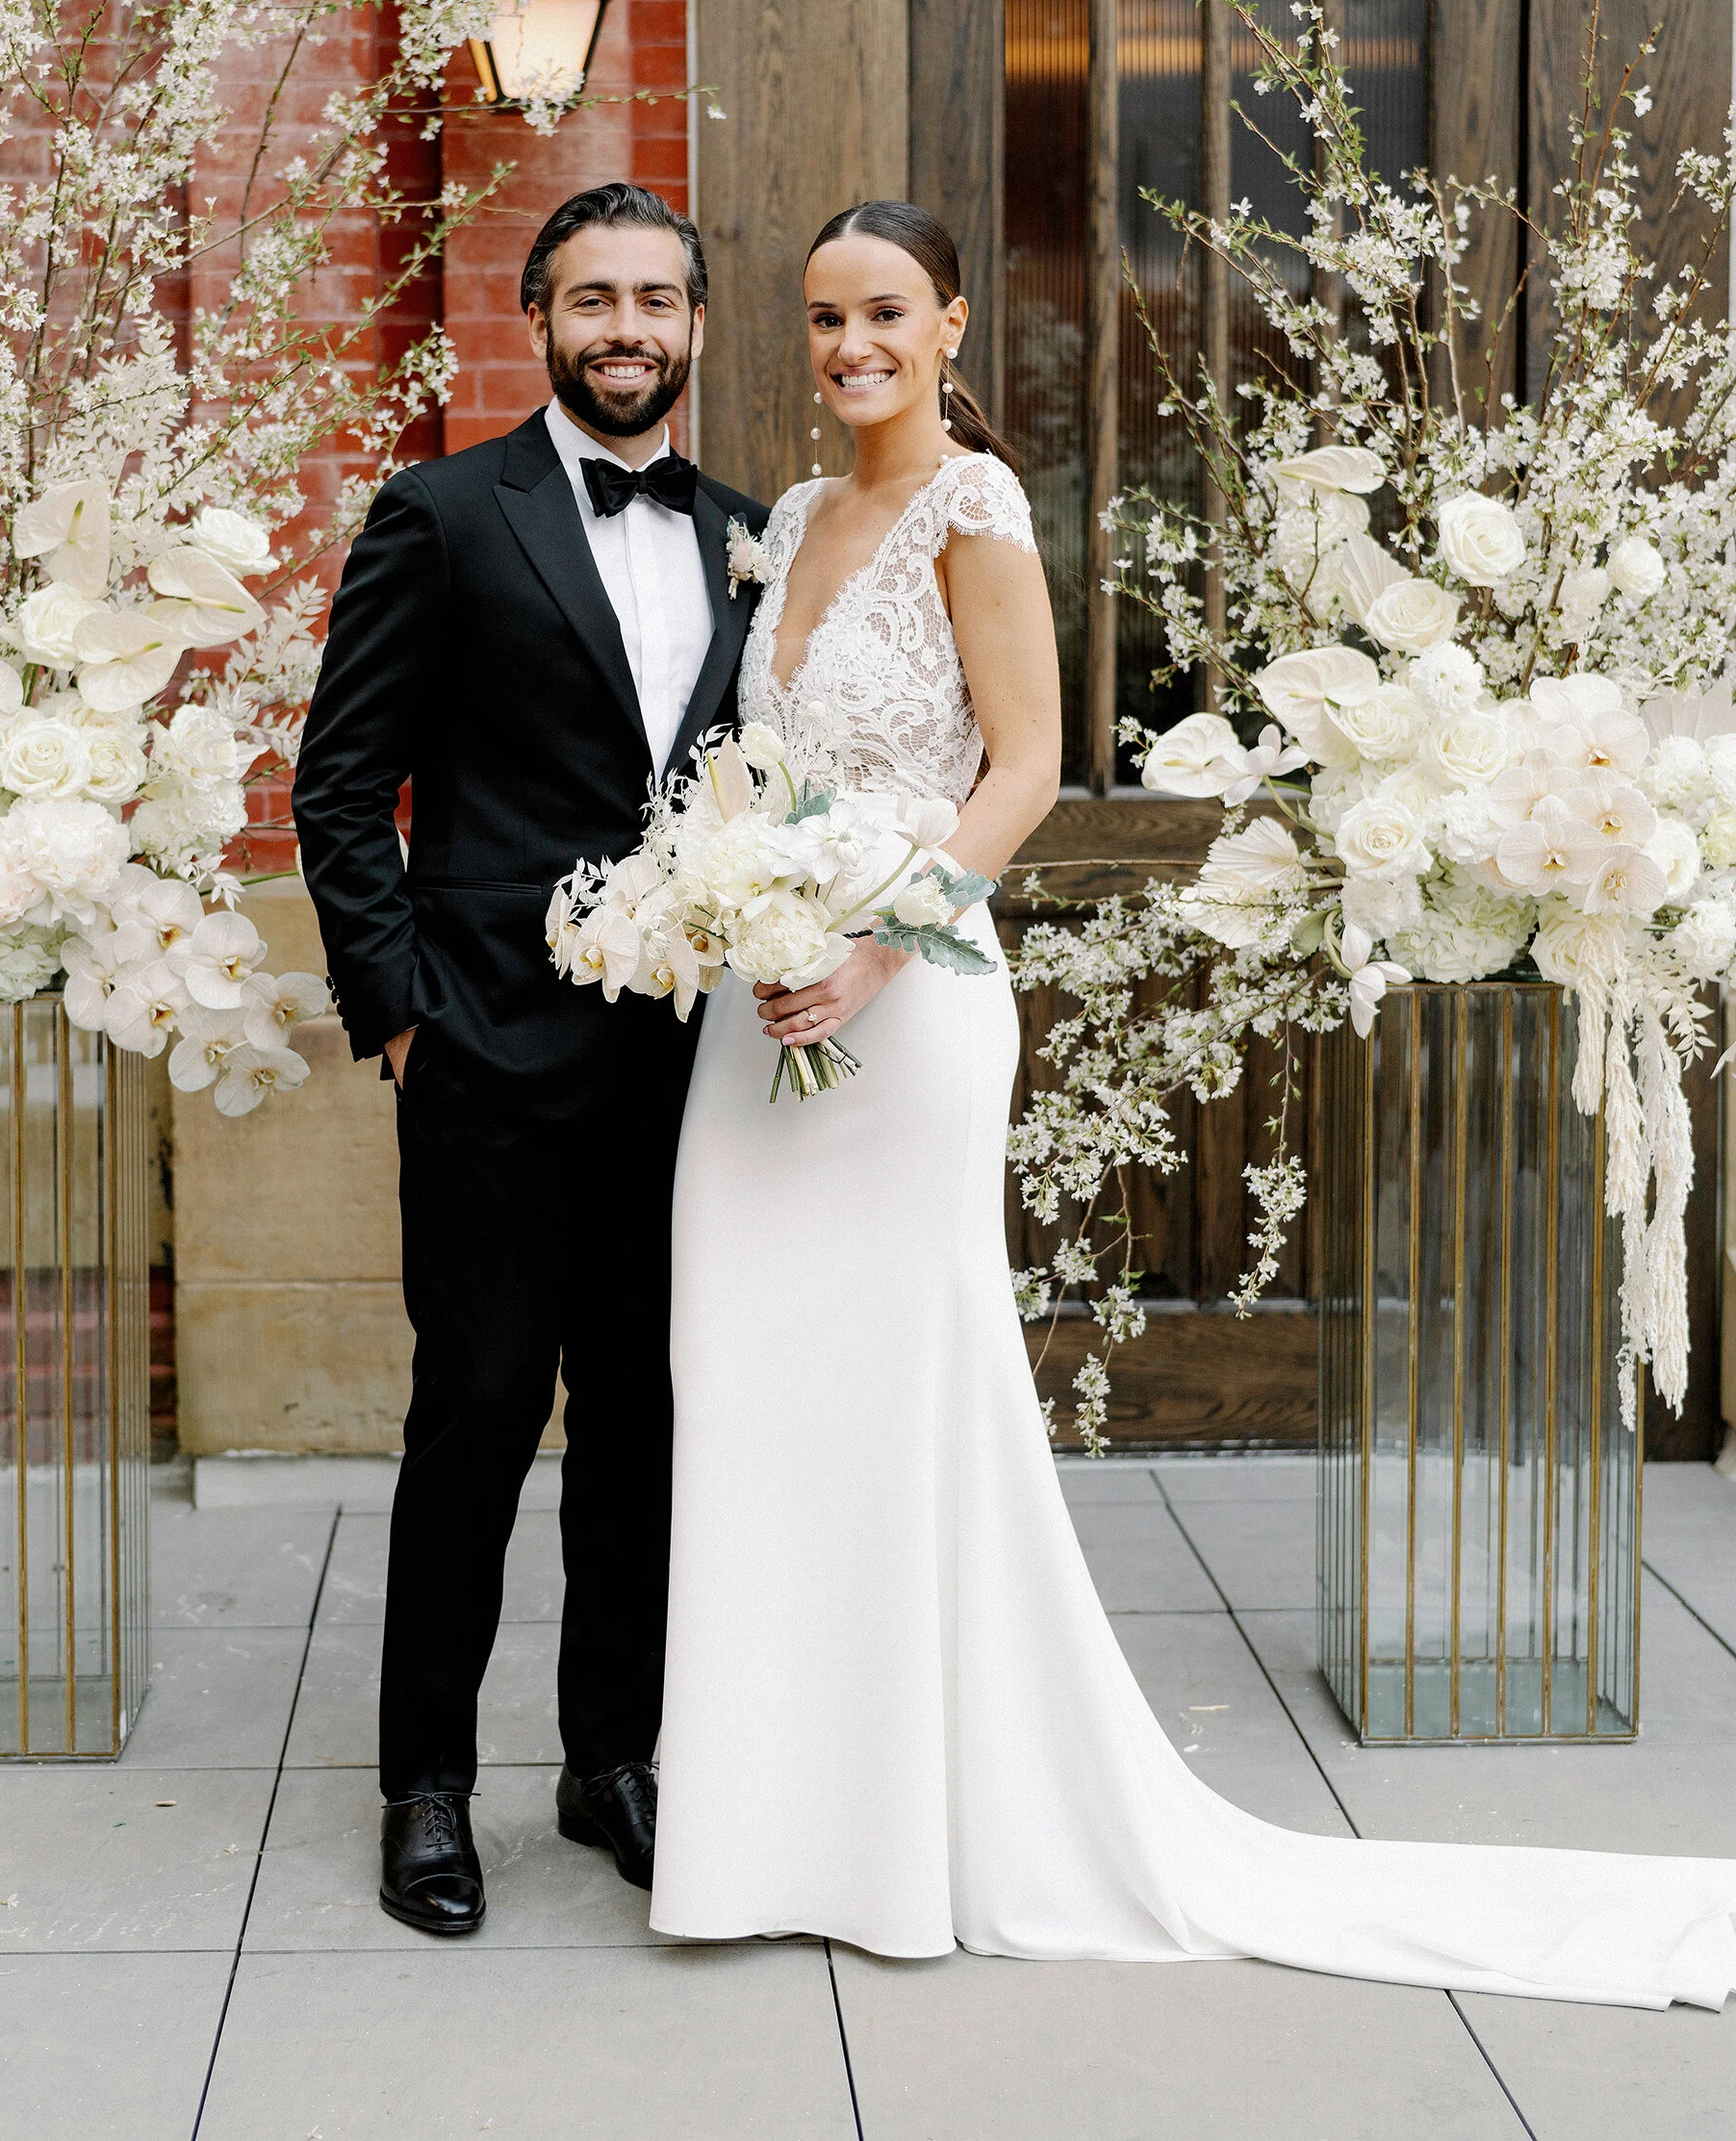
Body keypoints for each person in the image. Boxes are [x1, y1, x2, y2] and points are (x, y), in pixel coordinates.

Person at [648, 197, 1736, 2006]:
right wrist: (733, 901)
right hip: (753, 1022)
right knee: (755, 1393)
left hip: (899, 1013)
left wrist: (873, 955)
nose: (853, 348)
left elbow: (1024, 769)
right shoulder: (791, 520)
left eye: (888, 314)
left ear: (955, 320)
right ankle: (773, 1824)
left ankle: (919, 1829)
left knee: (901, 1397)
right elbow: (763, 768)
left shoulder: (972, 512)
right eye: (828, 319)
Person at [293, 181, 766, 1938]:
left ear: (697, 324)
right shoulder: (439, 513)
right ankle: (429, 1784)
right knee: (476, 1418)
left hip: (691, 1068)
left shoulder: (747, 531)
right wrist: (404, 1013)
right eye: (594, 300)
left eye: (657, 298)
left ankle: (610, 1756)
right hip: (486, 1049)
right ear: (539, 318)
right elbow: (340, 785)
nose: (627, 328)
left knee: (644, 1424)